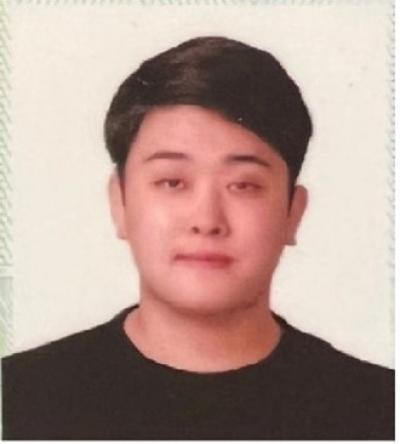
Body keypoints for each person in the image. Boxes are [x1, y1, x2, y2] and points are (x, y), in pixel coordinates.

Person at [2, 36, 394, 440]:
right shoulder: (19, 398)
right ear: (120, 203)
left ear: (293, 213)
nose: (206, 220)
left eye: (243, 185)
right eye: (172, 182)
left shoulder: (378, 408)